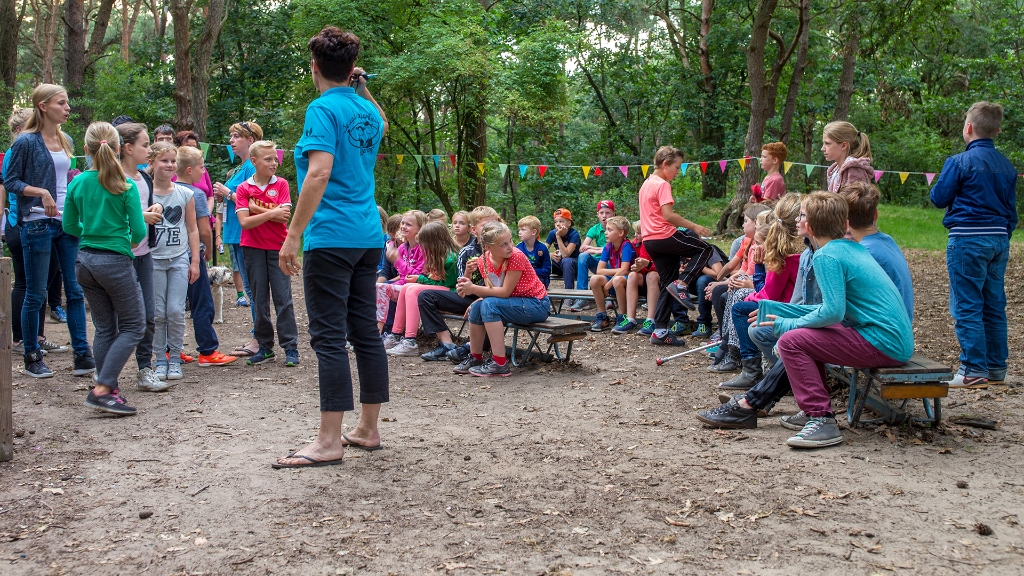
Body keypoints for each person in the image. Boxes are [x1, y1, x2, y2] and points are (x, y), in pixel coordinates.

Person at [274, 26, 389, 468]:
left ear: (315, 67)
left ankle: (328, 442)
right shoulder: (363, 109)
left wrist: (293, 232)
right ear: (349, 69)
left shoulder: (322, 109)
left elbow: (318, 172)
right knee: (364, 332)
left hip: (332, 236)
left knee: (327, 337)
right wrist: (362, 88)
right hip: (367, 236)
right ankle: (368, 428)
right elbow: (379, 122)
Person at [758, 192, 913, 448]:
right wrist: (783, 312)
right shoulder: (847, 247)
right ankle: (815, 413)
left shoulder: (826, 256)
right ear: (843, 224)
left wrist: (788, 325)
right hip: (890, 339)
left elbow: (832, 314)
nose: (797, 219)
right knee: (802, 337)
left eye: (802, 215)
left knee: (791, 341)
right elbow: (828, 309)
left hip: (884, 342)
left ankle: (821, 419)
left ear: (810, 225)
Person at [3, 84, 95, 378]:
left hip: (67, 223)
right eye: (62, 103)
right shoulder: (25, 142)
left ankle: (82, 354)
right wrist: (42, 192)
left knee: (75, 289)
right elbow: (11, 181)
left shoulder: (65, 139)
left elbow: (66, 178)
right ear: (43, 106)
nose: (68, 108)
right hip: (36, 222)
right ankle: (32, 354)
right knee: (36, 292)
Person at [63, 122, 147, 415]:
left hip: (84, 261)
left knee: (105, 327)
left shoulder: (76, 183)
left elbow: (69, 226)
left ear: (85, 150)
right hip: (115, 263)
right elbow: (138, 232)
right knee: (135, 325)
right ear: (118, 149)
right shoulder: (125, 185)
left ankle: (108, 389)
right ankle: (102, 389)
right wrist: (120, 237)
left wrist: (93, 230)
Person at [930, 101, 1016, 387]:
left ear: (968, 128)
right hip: (999, 240)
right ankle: (995, 368)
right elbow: (1012, 210)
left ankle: (972, 369)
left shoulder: (958, 162)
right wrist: (1004, 235)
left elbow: (939, 197)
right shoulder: (1007, 165)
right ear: (998, 130)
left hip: (967, 237)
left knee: (967, 303)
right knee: (994, 303)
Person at [719, 194, 804, 390]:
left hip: (786, 309)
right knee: (735, 298)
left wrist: (758, 269)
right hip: (787, 306)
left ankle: (751, 370)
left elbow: (767, 294)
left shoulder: (783, 257)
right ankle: (730, 351)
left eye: (759, 243)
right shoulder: (795, 252)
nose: (756, 247)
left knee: (740, 308)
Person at [3, 108, 67, 356]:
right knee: (25, 284)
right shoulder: (17, 149)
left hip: (48, 222)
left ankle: (38, 335)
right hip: (20, 223)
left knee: (43, 282)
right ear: (21, 130)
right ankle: (19, 339)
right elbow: (12, 184)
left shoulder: (42, 147)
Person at [639, 146, 714, 346]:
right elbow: (668, 216)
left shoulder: (646, 183)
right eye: (677, 167)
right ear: (665, 164)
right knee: (705, 249)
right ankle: (682, 284)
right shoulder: (662, 184)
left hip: (650, 241)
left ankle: (660, 331)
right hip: (663, 236)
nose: (678, 172)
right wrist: (694, 226)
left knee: (667, 284)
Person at [454, 221, 550, 377]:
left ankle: (500, 363)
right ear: (488, 247)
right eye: (504, 244)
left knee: (489, 305)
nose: (510, 246)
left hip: (537, 304)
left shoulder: (516, 256)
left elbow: (504, 292)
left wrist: (472, 289)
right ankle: (475, 357)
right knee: (479, 306)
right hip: (515, 303)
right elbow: (491, 290)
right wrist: (474, 293)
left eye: (510, 241)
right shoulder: (483, 260)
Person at [235, 140, 299, 367]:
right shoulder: (243, 188)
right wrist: (269, 212)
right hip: (252, 249)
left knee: (283, 299)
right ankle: (265, 348)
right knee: (259, 300)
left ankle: (290, 347)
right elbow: (245, 223)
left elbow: (285, 215)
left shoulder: (281, 184)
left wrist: (256, 208)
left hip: (278, 248)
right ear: (254, 161)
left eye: (275, 159)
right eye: (268, 159)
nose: (274, 163)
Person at [116, 122, 168, 390]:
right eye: (145, 145)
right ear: (127, 148)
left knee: (149, 314)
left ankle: (144, 369)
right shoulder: (111, 178)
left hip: (144, 255)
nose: (149, 150)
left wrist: (154, 207)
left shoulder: (145, 178)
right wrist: (140, 217)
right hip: (118, 257)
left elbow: (145, 209)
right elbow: (109, 219)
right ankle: (105, 374)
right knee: (116, 319)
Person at [176, 145, 237, 367]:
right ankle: (208, 351)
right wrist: (208, 251)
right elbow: (203, 230)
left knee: (172, 305)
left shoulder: (166, 189)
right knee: (202, 302)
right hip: (193, 256)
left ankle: (170, 351)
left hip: (169, 256)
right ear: (190, 170)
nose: (205, 171)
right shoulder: (197, 194)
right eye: (202, 167)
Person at [417, 206, 500, 362]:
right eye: (486, 225)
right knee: (425, 296)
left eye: (494, 224)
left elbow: (504, 286)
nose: (492, 229)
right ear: (474, 229)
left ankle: (471, 347)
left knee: (484, 306)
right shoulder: (467, 252)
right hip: (469, 298)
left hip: (493, 299)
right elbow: (462, 291)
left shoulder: (502, 249)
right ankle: (446, 345)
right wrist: (468, 273)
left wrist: (479, 300)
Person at [148, 142, 201, 380]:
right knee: (158, 313)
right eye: (164, 160)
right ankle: (160, 359)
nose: (169, 165)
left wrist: (195, 261)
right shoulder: (143, 191)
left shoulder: (185, 194)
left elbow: (192, 229)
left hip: (179, 259)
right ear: (151, 163)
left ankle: (176, 357)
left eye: (172, 161)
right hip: (152, 260)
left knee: (176, 311)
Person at [213, 120, 262, 356]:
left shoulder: (254, 168)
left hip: (247, 233)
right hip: (234, 233)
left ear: (250, 140)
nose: (231, 140)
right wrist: (223, 196)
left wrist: (227, 193)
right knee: (251, 289)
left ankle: (258, 340)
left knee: (253, 290)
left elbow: (256, 203)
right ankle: (257, 336)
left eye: (236, 136)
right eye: (230, 136)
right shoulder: (240, 169)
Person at [386, 221, 459, 356]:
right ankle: (396, 334)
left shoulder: (451, 258)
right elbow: (434, 280)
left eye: (425, 242)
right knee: (406, 287)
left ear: (434, 241)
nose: (423, 246)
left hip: (453, 293)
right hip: (442, 290)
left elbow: (447, 284)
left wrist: (419, 279)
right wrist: (419, 279)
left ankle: (410, 340)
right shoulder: (437, 255)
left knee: (413, 290)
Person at [377, 210, 426, 340]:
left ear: (419, 229)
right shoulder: (402, 248)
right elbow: (403, 275)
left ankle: (387, 331)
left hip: (417, 287)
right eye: (403, 223)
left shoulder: (424, 248)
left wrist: (397, 260)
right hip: (404, 285)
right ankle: (375, 332)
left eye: (408, 224)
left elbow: (418, 276)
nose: (403, 226)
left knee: (385, 288)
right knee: (378, 288)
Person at [589, 216, 636, 332]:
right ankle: (602, 316)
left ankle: (622, 317)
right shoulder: (608, 246)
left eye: (610, 230)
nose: (606, 232)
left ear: (620, 233)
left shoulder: (626, 246)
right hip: (618, 276)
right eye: (606, 229)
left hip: (628, 280)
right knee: (594, 279)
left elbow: (625, 271)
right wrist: (619, 270)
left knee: (617, 280)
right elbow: (599, 270)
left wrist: (607, 285)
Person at [614, 221, 658, 335]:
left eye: (638, 233)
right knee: (632, 275)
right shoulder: (639, 243)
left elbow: (663, 266)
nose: (635, 236)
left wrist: (646, 265)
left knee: (652, 275)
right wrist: (637, 267)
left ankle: (651, 320)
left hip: (659, 279)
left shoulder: (657, 244)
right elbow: (641, 265)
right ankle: (630, 319)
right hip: (645, 279)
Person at [570, 200, 615, 310]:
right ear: (597, 214)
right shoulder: (595, 229)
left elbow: (615, 250)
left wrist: (595, 249)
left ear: (613, 214)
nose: (604, 216)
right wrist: (597, 251)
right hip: (598, 264)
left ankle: (611, 295)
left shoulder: (617, 227)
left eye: (608, 213)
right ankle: (582, 297)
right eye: (601, 213)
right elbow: (582, 248)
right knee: (583, 257)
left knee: (611, 258)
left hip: (612, 265)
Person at [822, 121, 873, 193]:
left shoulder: (854, 171)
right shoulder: (835, 170)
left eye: (827, 143)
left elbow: (856, 203)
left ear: (844, 145)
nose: (822, 148)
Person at [172, 130, 214, 211]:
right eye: (187, 146)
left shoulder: (202, 170)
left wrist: (206, 214)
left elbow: (210, 197)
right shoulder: (172, 170)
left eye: (194, 147)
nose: (191, 149)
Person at [546, 208, 581, 289]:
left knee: (566, 260)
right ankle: (540, 289)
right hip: (558, 265)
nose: (558, 224)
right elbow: (541, 251)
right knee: (540, 259)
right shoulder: (552, 233)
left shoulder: (574, 234)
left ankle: (569, 295)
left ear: (569, 223)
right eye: (556, 222)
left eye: (561, 221)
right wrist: (551, 255)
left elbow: (566, 255)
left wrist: (558, 236)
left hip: (573, 266)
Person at [516, 215, 550, 288]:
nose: (519, 232)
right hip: (523, 279)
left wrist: (530, 271)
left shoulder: (542, 248)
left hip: (540, 278)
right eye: (519, 229)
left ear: (533, 232)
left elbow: (547, 270)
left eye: (523, 229)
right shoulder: (518, 248)